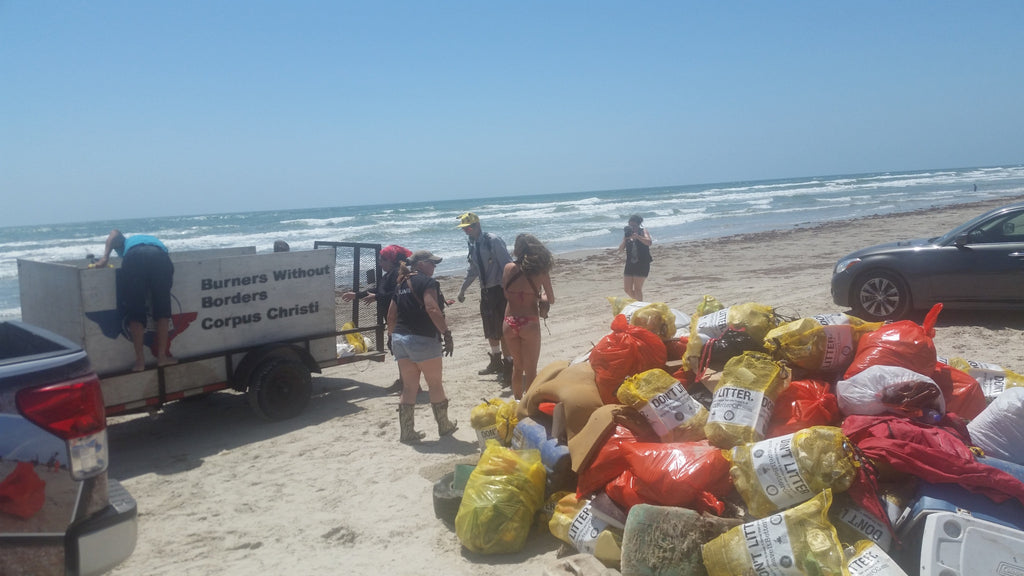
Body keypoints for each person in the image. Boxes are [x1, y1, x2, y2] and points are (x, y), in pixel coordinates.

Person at [387, 250, 457, 443]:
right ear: (420, 264)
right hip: (423, 339)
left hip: (400, 339)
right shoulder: (427, 282)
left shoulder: (401, 283)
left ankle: (407, 432)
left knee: (409, 387)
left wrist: (390, 336)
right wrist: (446, 333)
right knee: (435, 384)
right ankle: (444, 426)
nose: (435, 267)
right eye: (432, 263)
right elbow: (432, 308)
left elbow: (391, 315)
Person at [94, 229, 178, 372]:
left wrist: (105, 258)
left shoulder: (126, 243)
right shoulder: (157, 244)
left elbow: (114, 233)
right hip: (159, 257)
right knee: (162, 311)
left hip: (133, 258)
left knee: (135, 312)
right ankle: (162, 358)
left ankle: (140, 362)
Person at [342, 245, 413, 392]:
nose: (380, 263)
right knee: (398, 351)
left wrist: (377, 297)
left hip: (399, 318)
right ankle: (404, 381)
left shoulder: (397, 274)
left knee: (402, 351)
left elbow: (398, 292)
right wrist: (357, 295)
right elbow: (378, 290)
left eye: (382, 260)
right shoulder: (388, 275)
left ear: (391, 261)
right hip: (392, 318)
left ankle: (409, 383)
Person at [455, 212, 515, 385]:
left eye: (469, 227)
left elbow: (507, 265)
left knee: (503, 331)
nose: (466, 231)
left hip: (500, 290)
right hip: (486, 292)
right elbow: (473, 270)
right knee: (490, 330)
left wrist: (508, 290)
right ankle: (496, 361)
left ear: (477, 225)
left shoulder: (493, 241)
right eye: (464, 229)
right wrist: (462, 290)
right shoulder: (472, 244)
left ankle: (509, 366)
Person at [502, 234, 554, 400]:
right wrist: (541, 296)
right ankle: (529, 407)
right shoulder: (541, 272)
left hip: (509, 321)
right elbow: (550, 298)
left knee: (517, 368)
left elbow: (506, 293)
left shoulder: (509, 268)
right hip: (529, 322)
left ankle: (517, 401)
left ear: (518, 249)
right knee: (531, 370)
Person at [617, 214, 653, 300]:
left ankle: (639, 305)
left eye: (634, 226)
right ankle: (640, 303)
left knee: (637, 289)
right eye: (630, 225)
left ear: (639, 224)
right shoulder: (627, 234)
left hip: (642, 263)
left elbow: (649, 242)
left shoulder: (643, 231)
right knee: (627, 289)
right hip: (630, 264)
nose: (632, 228)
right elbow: (621, 249)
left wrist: (638, 236)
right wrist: (626, 239)